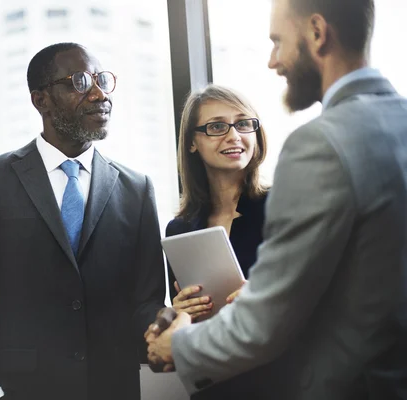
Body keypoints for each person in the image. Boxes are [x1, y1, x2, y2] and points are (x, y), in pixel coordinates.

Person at [146, 0, 407, 399]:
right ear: (193, 143)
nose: (273, 61)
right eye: (216, 127)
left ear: (317, 33)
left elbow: (270, 320)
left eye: (278, 41)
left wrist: (176, 346)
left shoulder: (319, 143)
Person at [0, 42, 166, 400]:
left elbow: (147, 300)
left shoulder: (137, 189)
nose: (99, 95)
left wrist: (162, 327)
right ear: (40, 100)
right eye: (79, 82)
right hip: (20, 390)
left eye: (102, 80)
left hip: (113, 389)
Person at [166, 84, 276, 399]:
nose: (234, 135)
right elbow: (183, 318)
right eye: (216, 127)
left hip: (281, 378)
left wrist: (265, 296)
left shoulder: (285, 207)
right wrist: (180, 312)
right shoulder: (180, 230)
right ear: (191, 143)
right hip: (216, 383)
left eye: (243, 123)